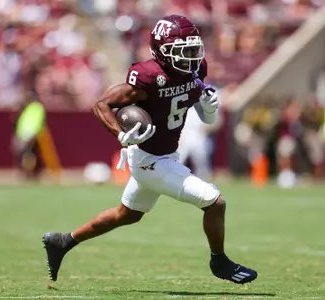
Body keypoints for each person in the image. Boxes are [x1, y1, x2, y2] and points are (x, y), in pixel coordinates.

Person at [42, 15, 258, 285]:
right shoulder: (149, 76)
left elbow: (207, 120)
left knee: (127, 215)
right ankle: (220, 261)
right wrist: (121, 134)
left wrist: (210, 108)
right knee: (214, 202)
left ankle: (63, 242)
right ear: (161, 52)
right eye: (182, 51)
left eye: (193, 50)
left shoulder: (195, 69)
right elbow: (101, 105)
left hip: (165, 156)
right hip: (150, 160)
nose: (190, 57)